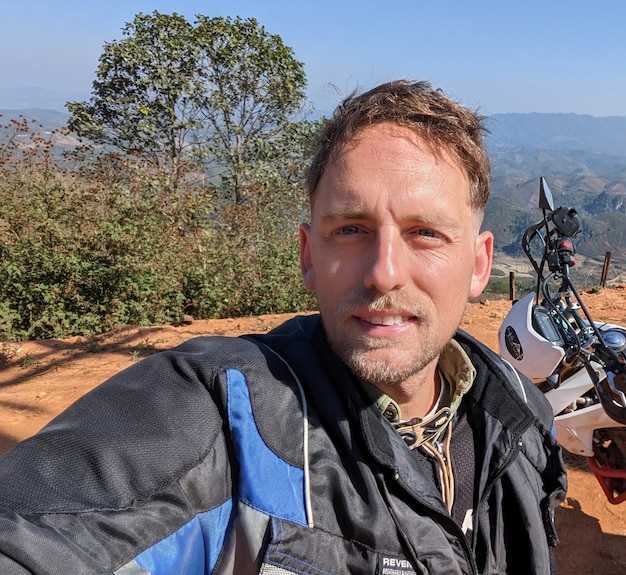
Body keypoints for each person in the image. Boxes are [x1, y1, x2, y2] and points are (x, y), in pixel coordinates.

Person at [0, 79, 567, 574]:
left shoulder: (519, 412)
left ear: (479, 264)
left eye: (425, 233)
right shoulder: (225, 413)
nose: (383, 272)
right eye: (350, 229)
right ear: (306, 254)